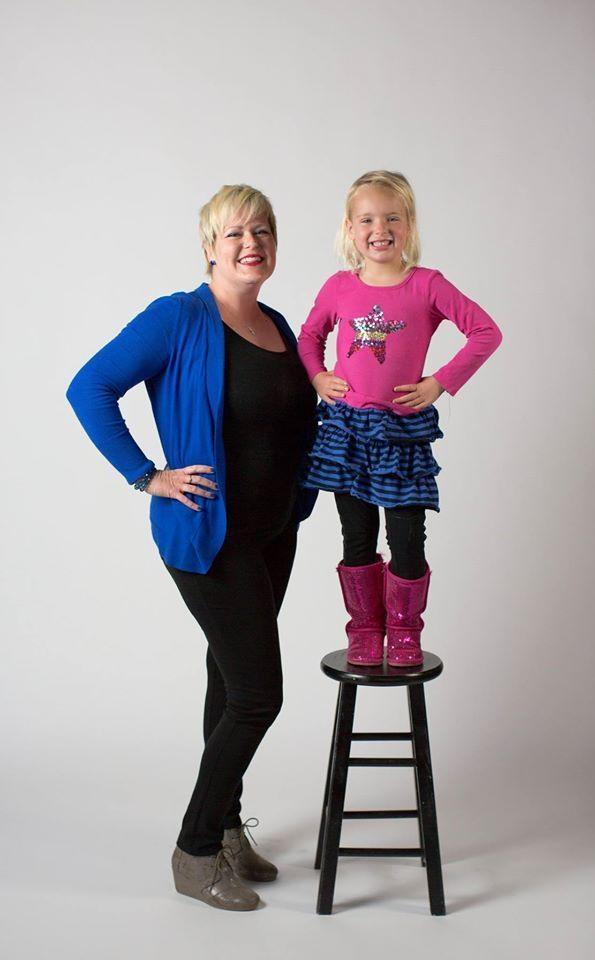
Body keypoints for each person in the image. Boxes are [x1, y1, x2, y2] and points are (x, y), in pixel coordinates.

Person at [66, 184, 317, 912]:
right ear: (209, 245)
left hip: (274, 533)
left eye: (263, 231)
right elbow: (89, 387)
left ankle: (229, 824)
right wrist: (146, 476)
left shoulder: (276, 324)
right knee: (257, 695)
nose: (251, 244)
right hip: (207, 536)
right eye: (235, 233)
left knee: (226, 681)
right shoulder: (176, 318)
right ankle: (195, 849)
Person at [297, 170, 502, 668]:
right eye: (367, 219)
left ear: (408, 225)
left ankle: (405, 628)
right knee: (356, 534)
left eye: (392, 217)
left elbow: (485, 332)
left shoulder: (427, 284)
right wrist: (319, 378)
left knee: (407, 535)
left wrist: (438, 383)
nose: (379, 228)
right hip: (347, 431)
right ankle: (365, 629)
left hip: (400, 435)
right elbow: (309, 338)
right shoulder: (339, 287)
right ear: (350, 228)